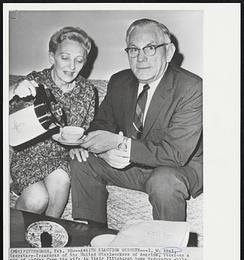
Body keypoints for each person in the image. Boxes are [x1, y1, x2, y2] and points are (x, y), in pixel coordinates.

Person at [71, 18, 203, 226]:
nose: (141, 58)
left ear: (168, 52)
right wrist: (100, 150)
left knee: (164, 182)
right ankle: (93, 238)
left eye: (150, 48)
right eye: (133, 49)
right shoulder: (119, 81)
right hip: (133, 166)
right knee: (82, 162)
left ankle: (168, 252)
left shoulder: (191, 88)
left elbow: (175, 154)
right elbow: (100, 126)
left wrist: (119, 145)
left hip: (177, 167)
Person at [9, 26, 96, 217]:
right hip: (28, 157)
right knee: (37, 199)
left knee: (61, 181)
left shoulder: (88, 91)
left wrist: (82, 145)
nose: (72, 66)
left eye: (79, 60)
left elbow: (89, 129)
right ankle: (15, 240)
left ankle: (49, 238)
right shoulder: (35, 82)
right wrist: (13, 89)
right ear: (52, 58)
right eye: (65, 58)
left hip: (61, 158)